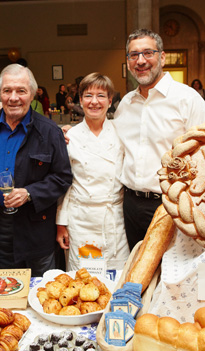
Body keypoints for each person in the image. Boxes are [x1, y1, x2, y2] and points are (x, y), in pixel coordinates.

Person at [115, 28, 205, 250]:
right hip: (130, 205)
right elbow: (113, 143)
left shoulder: (188, 100)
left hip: (172, 205)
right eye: (133, 55)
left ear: (162, 57)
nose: (140, 61)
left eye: (147, 53)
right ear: (128, 62)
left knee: (172, 274)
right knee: (138, 270)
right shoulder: (126, 104)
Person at [0, 64, 72, 276]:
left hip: (36, 229)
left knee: (41, 288)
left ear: (32, 94)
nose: (14, 98)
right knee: (8, 289)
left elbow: (62, 177)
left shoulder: (49, 132)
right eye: (7, 91)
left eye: (21, 91)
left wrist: (30, 193)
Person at [56, 72, 129, 271]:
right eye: (88, 96)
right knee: (84, 280)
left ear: (110, 100)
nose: (94, 102)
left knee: (117, 279)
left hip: (114, 220)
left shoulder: (122, 132)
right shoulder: (70, 136)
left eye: (101, 96)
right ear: (80, 100)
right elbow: (64, 185)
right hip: (82, 221)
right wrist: (61, 223)